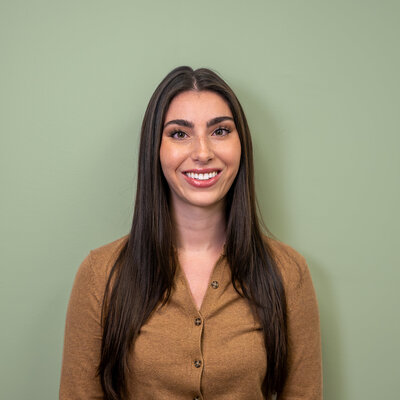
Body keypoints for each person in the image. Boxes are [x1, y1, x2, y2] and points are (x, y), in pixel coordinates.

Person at [59, 66, 322, 400]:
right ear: (155, 149)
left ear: (241, 145)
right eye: (179, 134)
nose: (202, 152)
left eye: (220, 131)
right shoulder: (100, 275)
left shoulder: (288, 274)